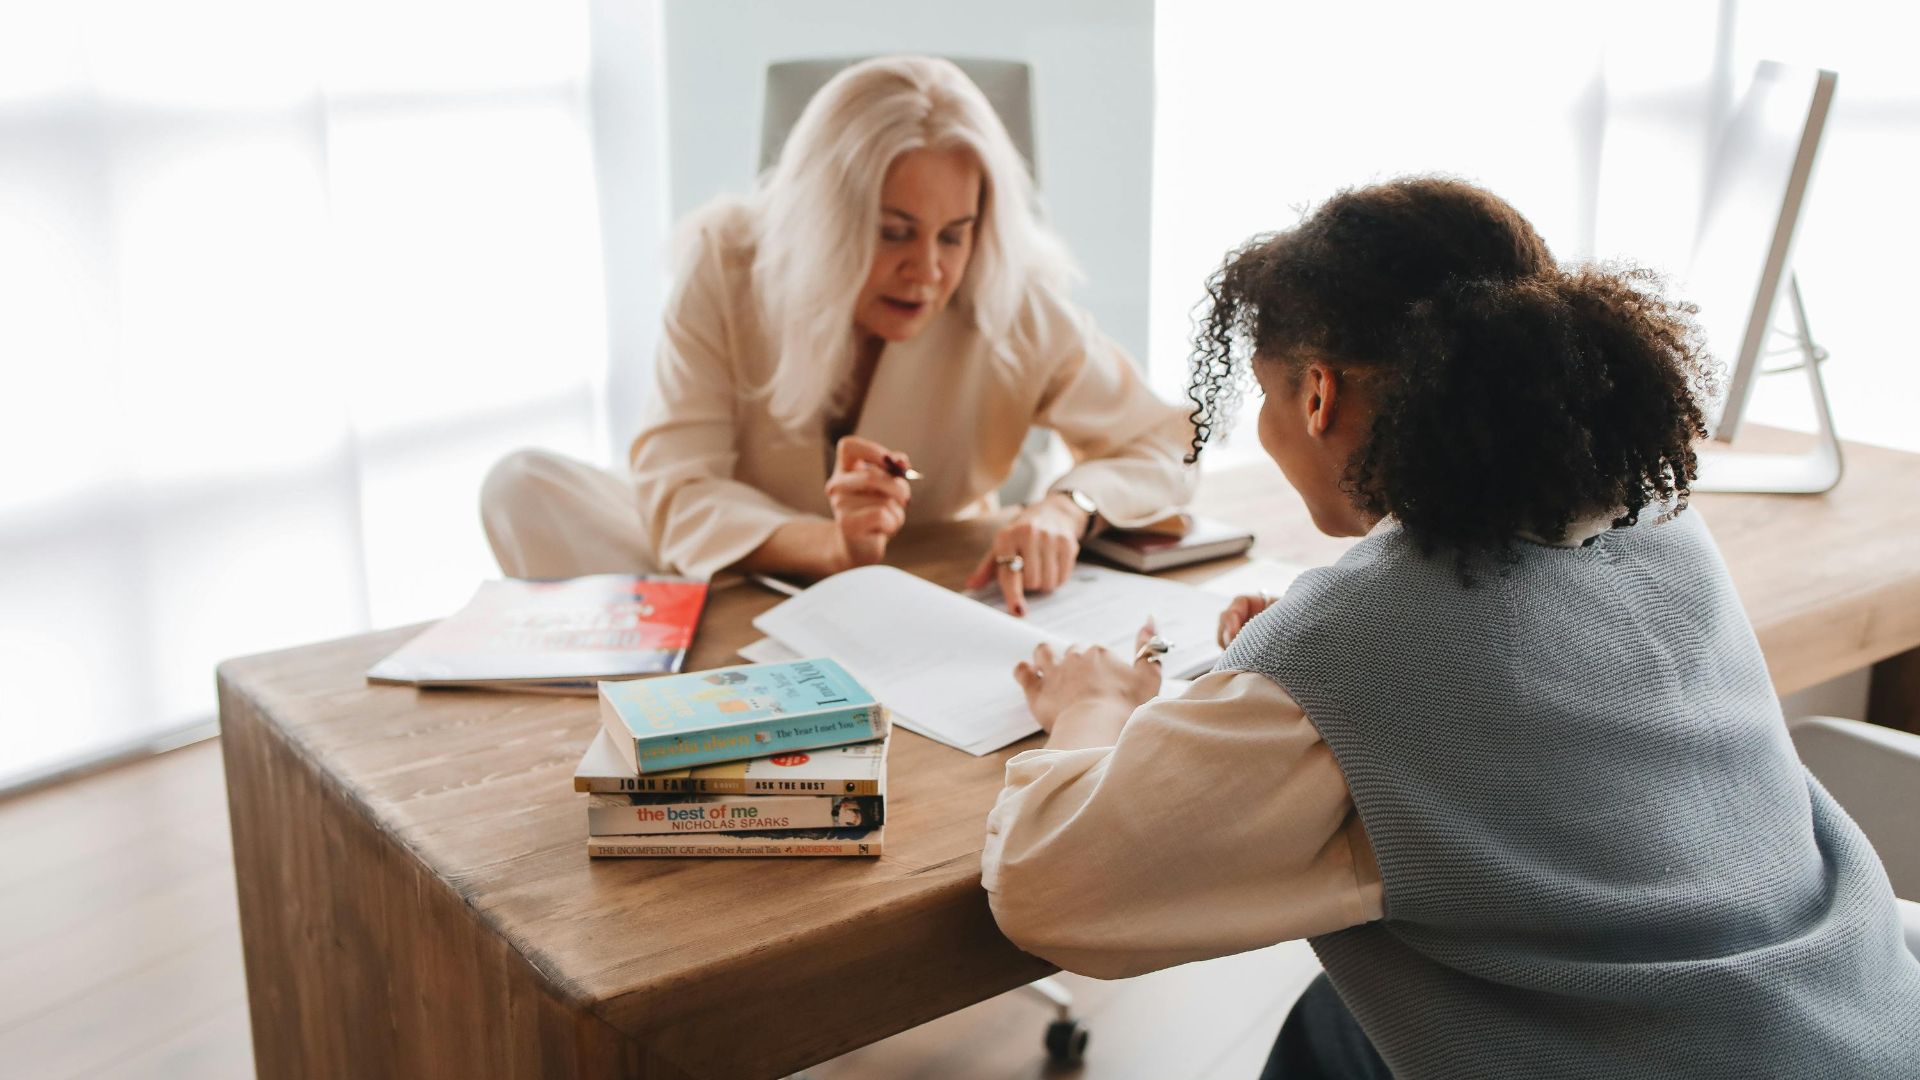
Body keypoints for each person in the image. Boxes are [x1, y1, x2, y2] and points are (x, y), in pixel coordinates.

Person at [981, 178, 1920, 1078]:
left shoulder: (1363, 645)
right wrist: (1312, 676)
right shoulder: (1654, 516)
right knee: (1337, 1022)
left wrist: (1090, 711)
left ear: (1318, 395)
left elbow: (1047, 887)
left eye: (1265, 402)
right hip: (1858, 1016)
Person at [480, 56, 1194, 611]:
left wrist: (1067, 509)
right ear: (824, 216)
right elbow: (678, 489)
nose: (928, 270)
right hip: (739, 564)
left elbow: (1165, 440)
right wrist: (829, 546)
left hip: (917, 578)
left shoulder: (1010, 294)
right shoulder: (726, 262)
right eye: (892, 233)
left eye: (955, 234)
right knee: (522, 488)